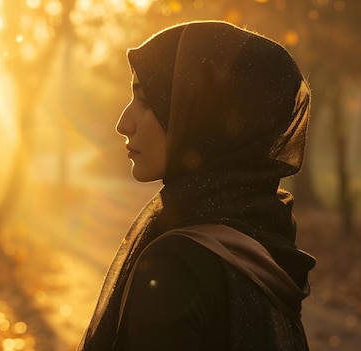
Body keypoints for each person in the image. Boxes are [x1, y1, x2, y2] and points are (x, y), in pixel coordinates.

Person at [78, 21, 316, 350]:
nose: (123, 123)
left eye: (146, 101)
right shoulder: (267, 246)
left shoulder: (176, 265)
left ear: (204, 115)